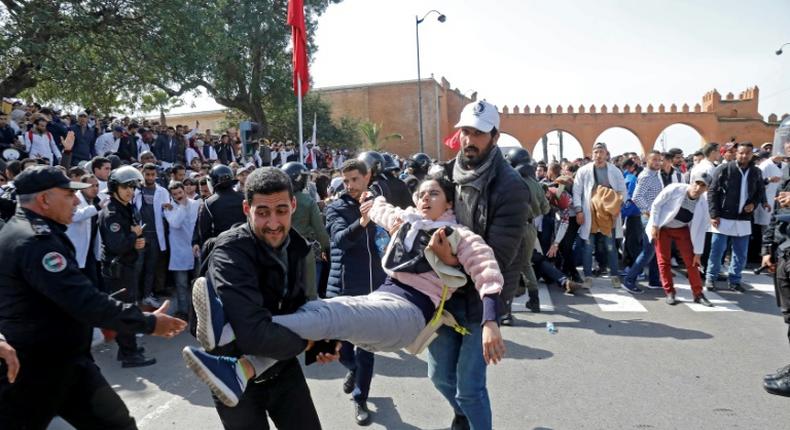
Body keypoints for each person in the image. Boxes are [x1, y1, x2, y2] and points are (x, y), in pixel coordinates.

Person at [183, 176, 504, 411]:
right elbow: (381, 208)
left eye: (433, 193)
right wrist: (371, 193)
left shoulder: (458, 235)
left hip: (408, 315)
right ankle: (241, 371)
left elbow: (486, 271)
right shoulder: (407, 223)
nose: (423, 198)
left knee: (326, 315)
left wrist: (490, 322)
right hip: (381, 299)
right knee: (316, 321)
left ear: (449, 202)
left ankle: (227, 329)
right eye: (420, 193)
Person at [0, 166, 186, 428]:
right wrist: (149, 323)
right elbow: (83, 301)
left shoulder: (31, 232)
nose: (76, 200)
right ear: (44, 199)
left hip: (67, 364)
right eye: (68, 194)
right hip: (38, 370)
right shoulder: (35, 243)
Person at [185, 167, 331, 429]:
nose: (274, 223)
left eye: (281, 211)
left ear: (293, 205)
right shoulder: (229, 253)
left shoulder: (297, 246)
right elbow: (254, 333)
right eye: (262, 212)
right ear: (246, 209)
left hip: (283, 370)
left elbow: (303, 306)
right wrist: (308, 342)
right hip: (235, 378)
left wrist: (324, 342)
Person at [439, 100, 524, 430]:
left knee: (470, 390)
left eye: (478, 133)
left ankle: (472, 419)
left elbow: (498, 258)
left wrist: (492, 317)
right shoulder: (447, 173)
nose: (469, 140)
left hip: (483, 293)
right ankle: (464, 418)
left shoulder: (510, 186)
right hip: (445, 293)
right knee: (439, 377)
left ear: (495, 137)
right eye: (465, 132)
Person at [325, 159, 387, 425]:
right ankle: (352, 369)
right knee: (342, 348)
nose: (349, 185)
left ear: (367, 177)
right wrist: (362, 221)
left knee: (367, 348)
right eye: (346, 180)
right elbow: (339, 240)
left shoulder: (381, 205)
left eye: (355, 179)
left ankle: (360, 399)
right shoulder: (335, 208)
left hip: (374, 288)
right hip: (344, 286)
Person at [705, 142, 767, 292]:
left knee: (740, 252)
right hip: (723, 217)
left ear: (752, 154)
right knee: (717, 250)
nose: (744, 156)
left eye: (747, 153)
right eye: (741, 153)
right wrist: (714, 214)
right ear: (736, 153)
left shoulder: (756, 172)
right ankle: (710, 278)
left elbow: (760, 191)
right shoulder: (725, 169)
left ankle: (735, 280)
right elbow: (712, 192)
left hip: (744, 218)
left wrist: (753, 203)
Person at [647, 172, 714, 306]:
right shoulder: (675, 189)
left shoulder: (703, 204)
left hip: (682, 229)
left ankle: (698, 294)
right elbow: (656, 205)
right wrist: (655, 225)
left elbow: (701, 229)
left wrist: (698, 252)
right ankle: (670, 292)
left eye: (703, 186)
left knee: (692, 262)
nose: (698, 188)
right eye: (697, 183)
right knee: (663, 261)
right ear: (691, 182)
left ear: (706, 189)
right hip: (663, 227)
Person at [760, 117, 790, 397]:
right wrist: (767, 249)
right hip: (785, 250)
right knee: (789, 316)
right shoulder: (787, 171)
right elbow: (776, 216)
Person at [573, 142, 627, 287]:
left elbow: (622, 190)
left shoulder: (615, 171)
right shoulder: (583, 171)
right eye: (596, 152)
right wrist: (578, 210)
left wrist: (617, 208)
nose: (598, 155)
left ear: (606, 153)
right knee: (588, 246)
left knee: (610, 246)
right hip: (589, 212)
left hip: (608, 214)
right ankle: (588, 276)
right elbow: (577, 191)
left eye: (601, 152)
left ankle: (614, 275)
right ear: (592, 154)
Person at [281, 162, 330, 300]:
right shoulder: (307, 201)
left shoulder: (277, 199)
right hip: (306, 251)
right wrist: (327, 248)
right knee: (310, 295)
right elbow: (320, 231)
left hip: (281, 250)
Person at [621, 151, 665, 293]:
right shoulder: (646, 176)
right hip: (649, 219)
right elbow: (636, 197)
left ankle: (654, 280)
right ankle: (629, 280)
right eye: (655, 160)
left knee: (653, 251)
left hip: (655, 218)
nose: (658, 162)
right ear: (647, 161)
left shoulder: (655, 175)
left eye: (660, 160)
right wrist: (648, 212)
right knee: (648, 251)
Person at [163, 181, 201, 320]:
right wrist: (182, 207)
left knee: (198, 283)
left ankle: (199, 313)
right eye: (175, 194)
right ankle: (183, 312)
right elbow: (176, 223)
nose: (179, 196)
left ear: (184, 191)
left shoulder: (196, 204)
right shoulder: (169, 209)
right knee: (181, 284)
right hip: (180, 251)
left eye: (180, 192)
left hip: (195, 249)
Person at [134, 164, 169, 308]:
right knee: (137, 267)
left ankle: (147, 296)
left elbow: (166, 212)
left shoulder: (163, 191)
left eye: (152, 175)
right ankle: (134, 297)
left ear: (156, 175)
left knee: (151, 267)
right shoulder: (136, 190)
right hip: (139, 235)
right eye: (147, 174)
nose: (149, 177)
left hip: (155, 235)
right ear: (142, 174)